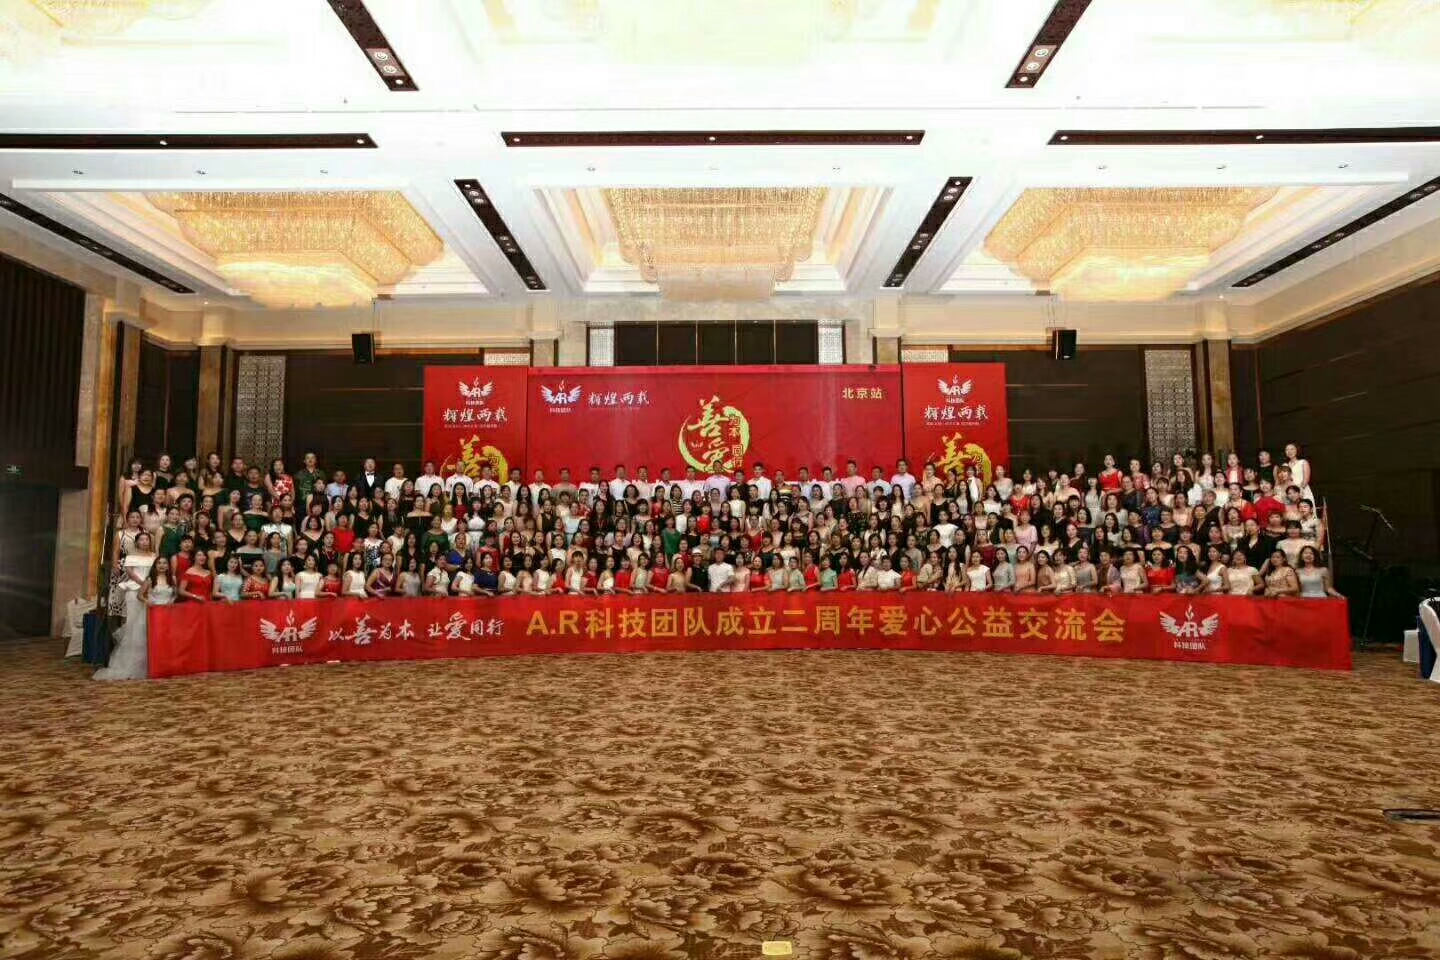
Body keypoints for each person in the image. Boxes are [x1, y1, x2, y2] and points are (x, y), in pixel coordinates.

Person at [95, 556, 174, 681]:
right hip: (153, 613)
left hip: (167, 614)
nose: (162, 565)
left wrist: (171, 602)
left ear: (168, 566)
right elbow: (140, 596)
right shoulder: (150, 579)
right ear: (155, 566)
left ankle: (164, 666)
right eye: (159, 563)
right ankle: (150, 667)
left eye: (165, 563)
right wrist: (148, 602)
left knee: (165, 640)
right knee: (148, 640)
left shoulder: (172, 579)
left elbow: (174, 594)